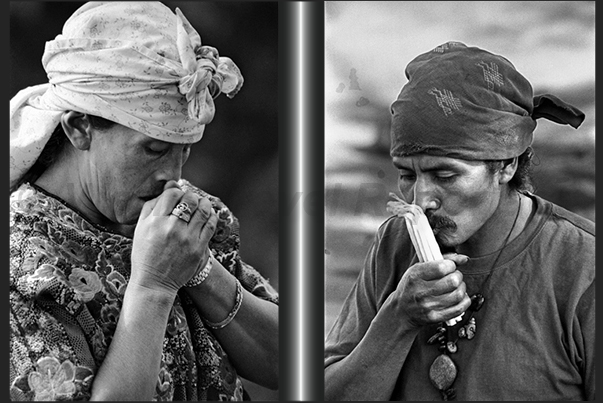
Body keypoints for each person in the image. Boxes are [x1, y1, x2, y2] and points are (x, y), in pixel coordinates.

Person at [10, 2, 278, 401]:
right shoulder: (25, 268)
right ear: (80, 129)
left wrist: (200, 268)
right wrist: (154, 285)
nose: (173, 176)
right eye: (153, 149)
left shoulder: (188, 220)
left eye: (183, 151)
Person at [324, 41, 594, 401]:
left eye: (445, 175)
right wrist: (398, 319)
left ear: (506, 164)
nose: (421, 200)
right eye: (406, 174)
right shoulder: (395, 245)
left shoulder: (582, 266)